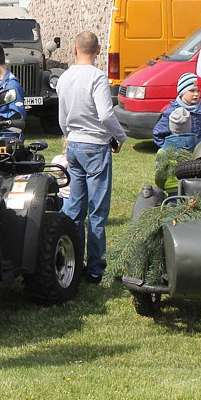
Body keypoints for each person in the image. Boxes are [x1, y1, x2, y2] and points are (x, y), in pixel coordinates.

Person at [58, 31, 127, 284]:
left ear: (74, 50)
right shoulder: (97, 77)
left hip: (74, 144)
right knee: (97, 212)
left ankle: (73, 263)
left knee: (75, 208)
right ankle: (96, 268)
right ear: (98, 50)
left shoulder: (64, 77)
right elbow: (107, 115)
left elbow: (62, 116)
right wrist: (120, 136)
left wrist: (68, 135)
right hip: (96, 146)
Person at [152, 72, 201, 148]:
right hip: (180, 155)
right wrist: (169, 150)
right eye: (192, 91)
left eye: (198, 91)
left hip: (200, 153)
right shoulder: (172, 112)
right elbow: (158, 134)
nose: (196, 94)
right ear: (182, 91)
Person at [154, 107, 198, 195]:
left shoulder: (163, 152)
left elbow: (160, 174)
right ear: (189, 125)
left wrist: (161, 186)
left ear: (171, 126)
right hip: (195, 188)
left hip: (172, 189)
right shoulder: (198, 148)